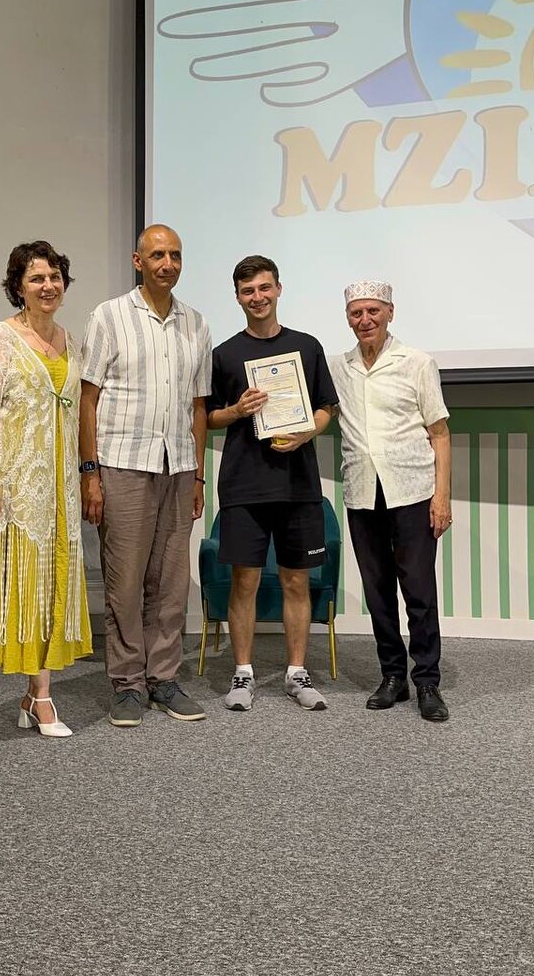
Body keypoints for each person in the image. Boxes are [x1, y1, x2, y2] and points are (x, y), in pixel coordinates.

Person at [0, 241, 93, 750]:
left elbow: (76, 414)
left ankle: (38, 697)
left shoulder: (71, 342)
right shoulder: (0, 339)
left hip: (56, 495)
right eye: (36, 279)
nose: (48, 286)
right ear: (18, 288)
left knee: (46, 593)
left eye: (54, 277)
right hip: (6, 491)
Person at [80, 223, 212, 727]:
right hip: (122, 463)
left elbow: (198, 407)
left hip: (178, 466)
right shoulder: (109, 316)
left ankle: (164, 679)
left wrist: (198, 476)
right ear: (139, 261)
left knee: (171, 583)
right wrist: (90, 473)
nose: (168, 264)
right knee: (126, 581)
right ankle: (127, 684)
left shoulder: (196, 323)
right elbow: (87, 400)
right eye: (158, 255)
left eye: (175, 255)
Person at [206, 255, 338, 712]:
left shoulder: (307, 346)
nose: (257, 297)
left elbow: (326, 407)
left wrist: (307, 432)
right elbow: (209, 417)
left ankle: (296, 672)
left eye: (264, 288)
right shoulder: (224, 354)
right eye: (248, 291)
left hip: (298, 485)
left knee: (296, 581)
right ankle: (242, 673)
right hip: (243, 485)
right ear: (237, 297)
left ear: (279, 289)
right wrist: (237, 410)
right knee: (243, 581)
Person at [329, 280, 451, 723]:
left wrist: (442, 497)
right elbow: (317, 413)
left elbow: (440, 432)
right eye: (356, 313)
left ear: (390, 313)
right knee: (378, 591)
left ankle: (427, 681)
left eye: (373, 311)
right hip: (363, 492)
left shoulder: (417, 362)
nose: (365, 320)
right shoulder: (338, 367)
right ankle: (393, 676)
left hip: (413, 491)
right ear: (348, 318)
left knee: (418, 591)